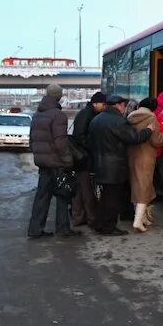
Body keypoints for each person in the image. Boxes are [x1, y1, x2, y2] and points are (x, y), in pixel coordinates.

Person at [88, 94, 152, 236]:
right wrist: (149, 130)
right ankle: (109, 227)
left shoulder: (96, 120)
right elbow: (134, 138)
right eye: (123, 105)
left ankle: (99, 224)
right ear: (118, 105)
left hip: (99, 165)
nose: (124, 108)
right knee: (113, 199)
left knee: (104, 197)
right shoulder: (118, 121)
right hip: (114, 167)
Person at [27, 84, 79, 239]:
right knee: (63, 194)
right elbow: (60, 142)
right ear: (59, 96)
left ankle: (35, 229)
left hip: (43, 163)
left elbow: (32, 140)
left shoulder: (37, 114)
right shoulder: (58, 115)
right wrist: (68, 161)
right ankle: (63, 229)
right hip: (57, 163)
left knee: (41, 196)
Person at [127, 97, 163, 232]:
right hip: (145, 157)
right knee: (144, 188)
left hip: (132, 156)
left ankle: (144, 217)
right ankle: (137, 221)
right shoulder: (151, 119)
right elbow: (156, 140)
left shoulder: (130, 117)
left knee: (140, 186)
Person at [70, 91, 107, 228]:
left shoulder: (89, 114)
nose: (104, 107)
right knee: (86, 190)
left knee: (81, 189)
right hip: (83, 158)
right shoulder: (86, 115)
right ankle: (91, 218)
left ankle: (78, 217)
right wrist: (94, 146)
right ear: (95, 103)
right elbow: (80, 136)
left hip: (83, 158)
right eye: (102, 104)